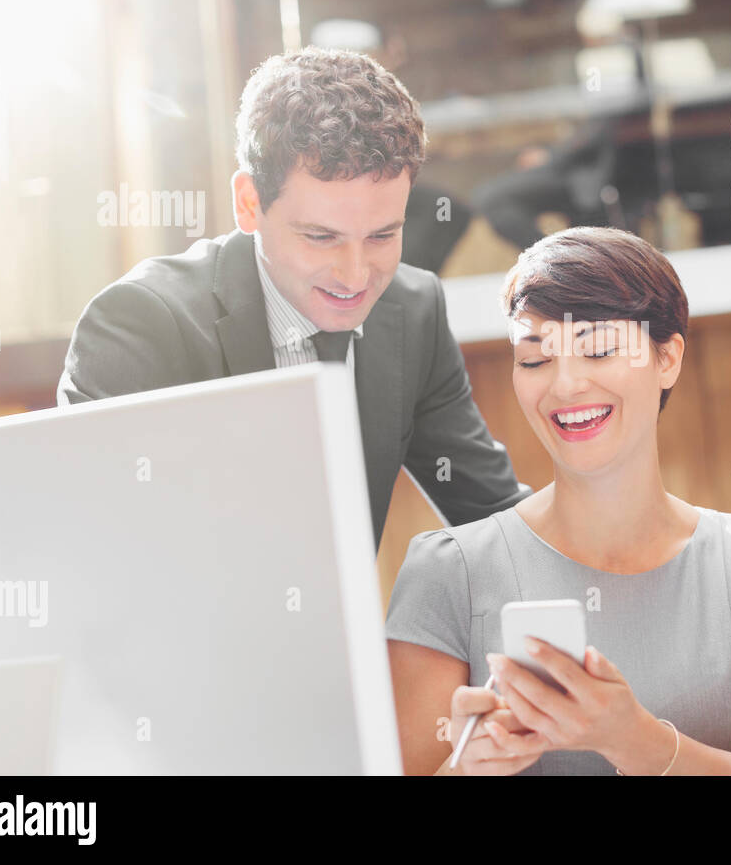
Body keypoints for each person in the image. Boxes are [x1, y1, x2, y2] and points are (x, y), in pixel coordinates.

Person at [57, 47, 530, 549]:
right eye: (320, 237)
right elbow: (96, 553)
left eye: (381, 236)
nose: (354, 276)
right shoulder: (140, 324)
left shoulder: (413, 311)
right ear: (248, 204)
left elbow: (494, 516)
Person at [384, 227, 731, 775]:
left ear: (667, 358)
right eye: (535, 360)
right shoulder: (446, 571)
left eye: (599, 350)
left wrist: (628, 737)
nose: (565, 387)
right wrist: (467, 770)